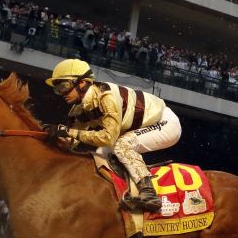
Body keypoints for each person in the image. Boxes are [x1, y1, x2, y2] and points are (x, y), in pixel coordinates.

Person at [44, 58, 183, 212]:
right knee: (100, 155)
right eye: (57, 89)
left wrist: (70, 131)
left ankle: (149, 193)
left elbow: (108, 137)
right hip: (136, 128)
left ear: (82, 83)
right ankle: (121, 193)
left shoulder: (106, 97)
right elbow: (70, 141)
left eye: (64, 86)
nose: (61, 93)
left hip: (165, 123)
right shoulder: (79, 109)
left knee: (121, 145)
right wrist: (51, 136)